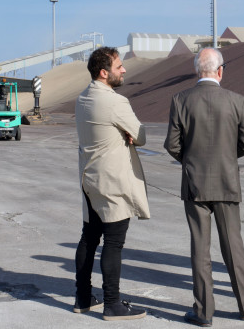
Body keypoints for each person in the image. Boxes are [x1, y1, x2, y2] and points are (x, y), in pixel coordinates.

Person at [164, 47, 244, 326]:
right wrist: (226, 159)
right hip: (227, 183)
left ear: (197, 70)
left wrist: (191, 161)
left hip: (194, 185)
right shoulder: (236, 100)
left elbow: (172, 144)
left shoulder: (180, 99)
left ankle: (204, 312)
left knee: (200, 249)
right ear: (220, 71)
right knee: (233, 246)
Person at [73, 47, 149, 321]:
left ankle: (82, 297)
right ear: (104, 72)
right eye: (119, 66)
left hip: (89, 179)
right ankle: (112, 304)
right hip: (112, 182)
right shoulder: (116, 102)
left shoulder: (82, 98)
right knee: (114, 242)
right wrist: (127, 134)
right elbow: (140, 136)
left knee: (89, 238)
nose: (124, 70)